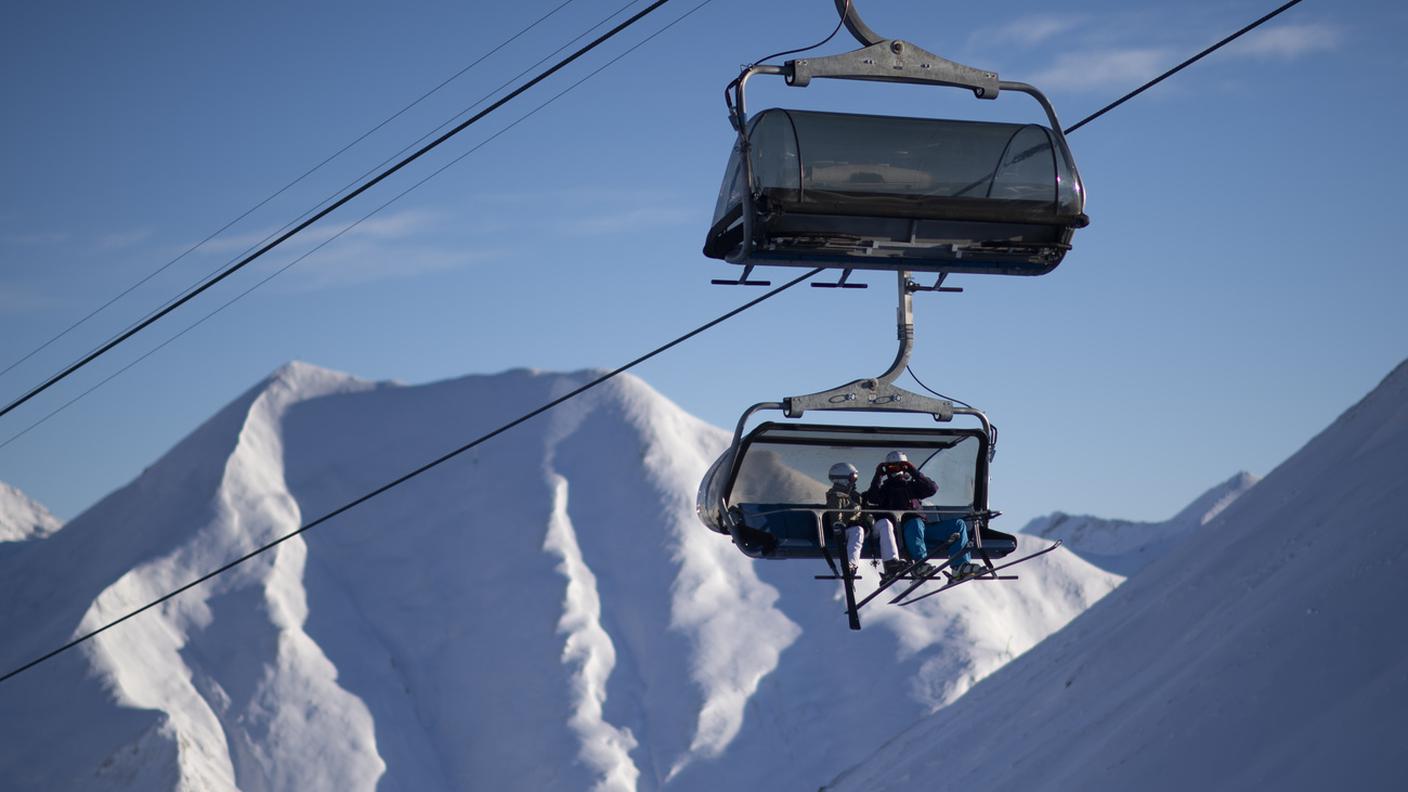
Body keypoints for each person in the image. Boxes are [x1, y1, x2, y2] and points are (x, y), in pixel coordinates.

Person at [864, 451, 985, 580]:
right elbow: (872, 498)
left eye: (900, 466)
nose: (895, 471)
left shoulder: (912, 487)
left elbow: (932, 488)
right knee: (914, 522)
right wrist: (878, 476)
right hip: (900, 533)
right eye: (891, 467)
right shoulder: (884, 490)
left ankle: (959, 566)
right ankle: (919, 564)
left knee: (958, 525)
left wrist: (913, 471)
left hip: (922, 530)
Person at [824, 462, 901, 577]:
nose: (855, 481)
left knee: (885, 523)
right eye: (853, 477)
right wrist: (853, 511)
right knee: (858, 530)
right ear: (842, 479)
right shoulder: (836, 497)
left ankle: (891, 562)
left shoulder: (855, 496)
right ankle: (850, 566)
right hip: (848, 530)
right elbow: (837, 520)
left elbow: (870, 500)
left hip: (865, 528)